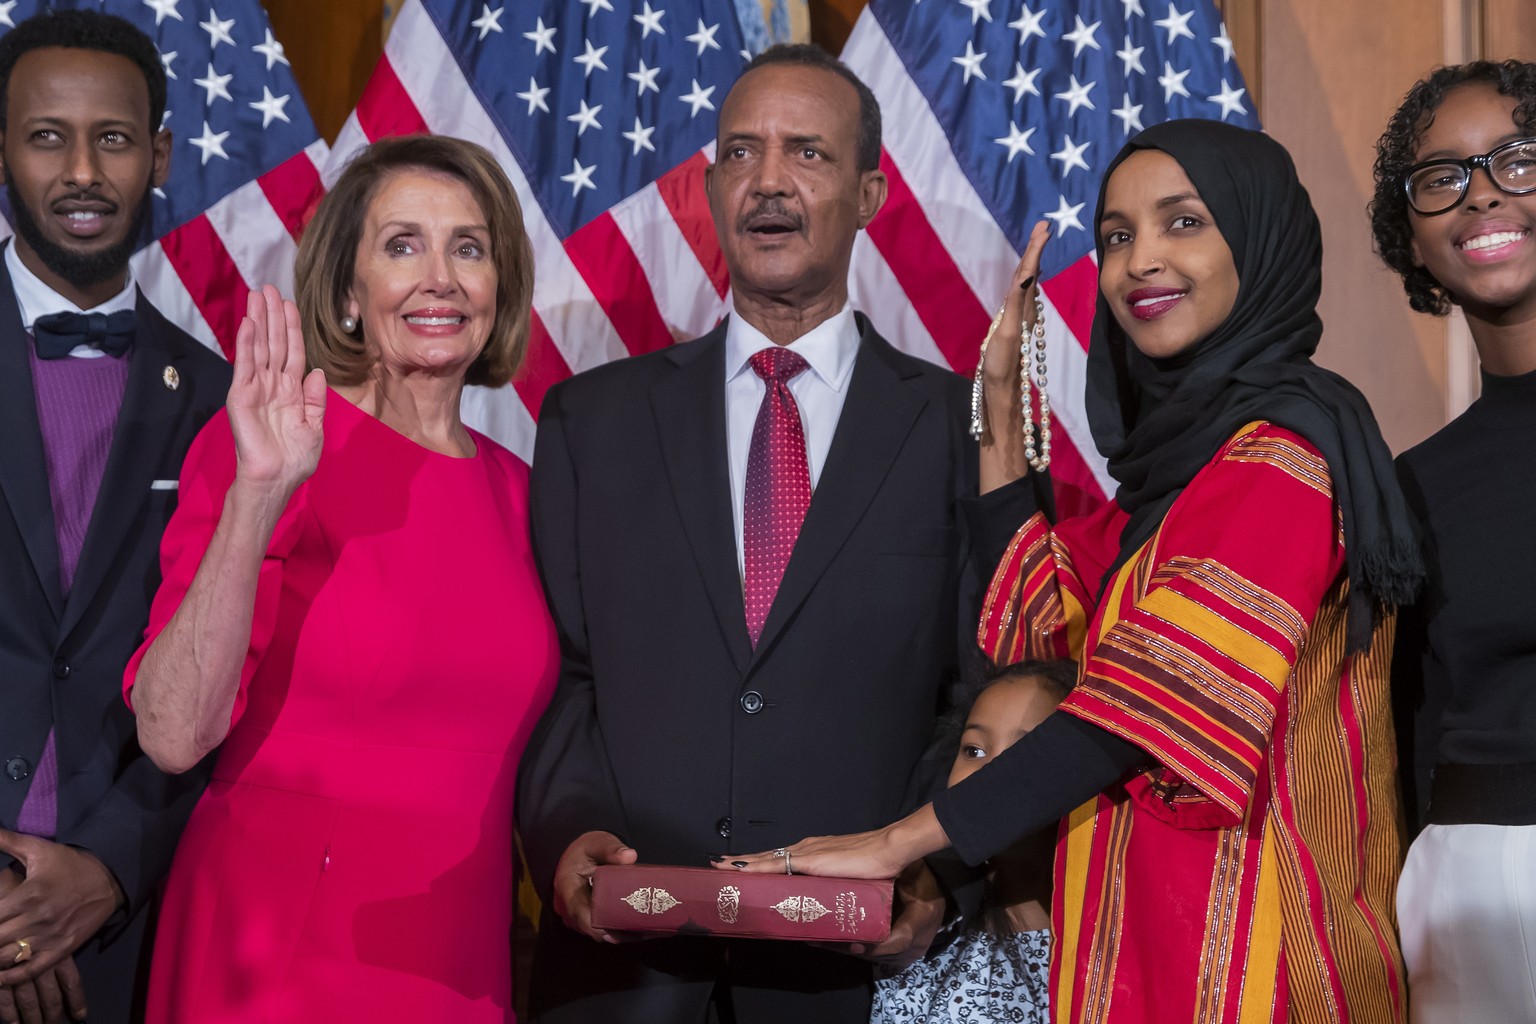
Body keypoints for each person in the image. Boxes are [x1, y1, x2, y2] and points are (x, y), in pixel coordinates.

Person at [724, 119, 1423, 1024]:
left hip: (1259, 960)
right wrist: (998, 410)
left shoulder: (1280, 460)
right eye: (1118, 237)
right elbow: (1040, 656)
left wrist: (895, 843)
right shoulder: (1175, 489)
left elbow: (1128, 715)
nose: (1138, 263)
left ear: (1260, 242)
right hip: (1144, 946)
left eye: (1183, 223)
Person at [516, 43, 1020, 1024]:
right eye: (741, 153)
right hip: (621, 977)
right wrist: (567, 834)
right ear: (709, 184)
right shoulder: (591, 423)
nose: (770, 183)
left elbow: (982, 693)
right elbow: (557, 674)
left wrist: (933, 877)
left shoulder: (964, 432)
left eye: (808, 155)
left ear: (871, 191)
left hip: (845, 984)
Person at [124, 135, 557, 1022]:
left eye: (468, 248)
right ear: (350, 292)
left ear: (500, 287)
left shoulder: (526, 494)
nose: (439, 277)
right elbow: (172, 732)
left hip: (458, 959)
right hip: (274, 955)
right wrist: (259, 494)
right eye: (402, 245)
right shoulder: (271, 452)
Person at [0, 11, 230, 1024]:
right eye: (48, 135)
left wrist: (106, 863)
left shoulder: (226, 403)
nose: (83, 170)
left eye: (116, 137)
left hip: (128, 933)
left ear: (161, 154)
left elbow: (236, 672)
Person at [1370, 59, 1536, 1023]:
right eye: (1443, 176)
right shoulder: (1410, 485)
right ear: (1415, 241)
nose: (1481, 194)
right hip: (1471, 885)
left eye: (1517, 160)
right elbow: (1407, 731)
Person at [870, 659, 1072, 1024]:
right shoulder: (921, 945)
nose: (990, 775)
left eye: (1022, 755)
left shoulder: (1105, 967)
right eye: (974, 750)